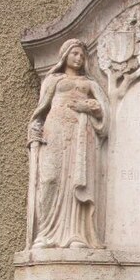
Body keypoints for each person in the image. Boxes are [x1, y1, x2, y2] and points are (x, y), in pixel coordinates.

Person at [28, 38, 108, 248]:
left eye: (82, 55)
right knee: (49, 180)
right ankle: (45, 234)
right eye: (75, 54)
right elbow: (40, 111)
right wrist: (33, 132)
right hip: (53, 132)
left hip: (79, 136)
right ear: (64, 55)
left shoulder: (90, 84)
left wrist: (89, 107)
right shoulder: (53, 80)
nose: (79, 58)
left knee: (75, 181)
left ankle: (76, 234)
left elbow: (104, 112)